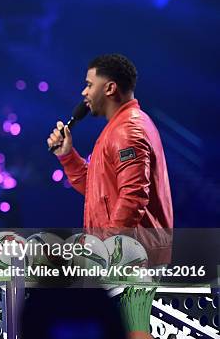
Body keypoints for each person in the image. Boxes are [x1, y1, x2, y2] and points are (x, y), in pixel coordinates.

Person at [46, 54, 172, 267]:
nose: (83, 92)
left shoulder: (128, 130)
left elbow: (133, 196)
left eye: (89, 85)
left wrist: (106, 251)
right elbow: (99, 189)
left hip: (130, 262)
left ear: (110, 88)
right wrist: (67, 156)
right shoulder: (119, 128)